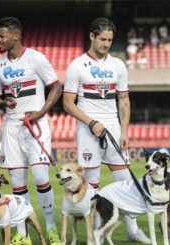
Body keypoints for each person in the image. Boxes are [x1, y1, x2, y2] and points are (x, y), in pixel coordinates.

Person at [63, 17, 151, 244]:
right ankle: (95, 235)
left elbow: (124, 100)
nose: (106, 44)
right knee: (91, 186)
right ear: (91, 36)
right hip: (87, 130)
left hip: (112, 128)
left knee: (126, 183)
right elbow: (68, 103)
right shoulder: (77, 65)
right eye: (102, 39)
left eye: (110, 40)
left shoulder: (118, 65)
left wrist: (124, 132)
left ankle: (132, 230)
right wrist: (91, 122)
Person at [0, 17, 62, 245]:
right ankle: (23, 233)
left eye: (1, 36)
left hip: (35, 125)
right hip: (11, 128)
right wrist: (4, 102)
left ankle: (50, 228)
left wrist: (40, 112)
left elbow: (57, 87)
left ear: (16, 36)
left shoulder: (35, 58)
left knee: (41, 177)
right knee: (18, 183)